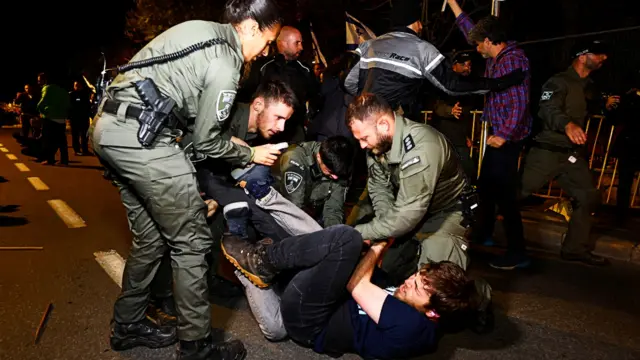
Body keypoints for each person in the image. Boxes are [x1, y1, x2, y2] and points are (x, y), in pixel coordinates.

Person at [90, 0, 282, 358]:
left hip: (110, 128)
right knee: (191, 239)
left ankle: (128, 325)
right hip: (141, 137)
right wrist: (249, 154)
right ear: (252, 27)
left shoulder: (200, 31)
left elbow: (188, 122)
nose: (265, 51)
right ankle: (196, 346)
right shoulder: (227, 59)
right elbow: (209, 140)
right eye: (268, 42)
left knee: (150, 238)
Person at [221, 224, 476, 360]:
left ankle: (260, 261)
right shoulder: (414, 307)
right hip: (325, 301)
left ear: (432, 313)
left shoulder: (414, 327)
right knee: (301, 240)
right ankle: (247, 226)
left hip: (310, 322)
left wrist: (376, 249)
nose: (409, 281)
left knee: (346, 239)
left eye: (418, 287)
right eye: (417, 276)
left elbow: (358, 286)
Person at [446, 0, 533, 269]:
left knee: (505, 197)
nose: (475, 49)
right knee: (487, 189)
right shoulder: (499, 57)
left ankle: (518, 253)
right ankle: (483, 235)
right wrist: (452, 4)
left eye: (478, 44)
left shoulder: (512, 61)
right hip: (500, 136)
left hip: (507, 139)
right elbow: (470, 29)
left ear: (489, 41)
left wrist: (504, 134)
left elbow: (520, 102)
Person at [344, 0, 525, 122]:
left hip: (364, 120)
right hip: (395, 124)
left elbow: (348, 82)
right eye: (420, 22)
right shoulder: (422, 48)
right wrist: (499, 83)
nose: (422, 26)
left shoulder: (370, 45)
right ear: (415, 23)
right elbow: (452, 85)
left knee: (377, 175)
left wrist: (368, 101)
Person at [520, 40, 615, 267]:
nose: (604, 58)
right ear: (582, 57)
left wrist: (606, 106)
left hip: (572, 156)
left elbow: (590, 108)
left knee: (588, 196)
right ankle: (475, 228)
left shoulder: (589, 86)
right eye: (598, 54)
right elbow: (547, 109)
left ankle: (574, 249)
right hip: (547, 152)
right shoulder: (559, 81)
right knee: (515, 192)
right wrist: (567, 125)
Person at [238, 25, 320, 143]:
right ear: (282, 43)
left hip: (294, 133)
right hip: (263, 134)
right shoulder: (262, 66)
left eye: (301, 43)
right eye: (296, 43)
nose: (301, 47)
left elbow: (316, 95)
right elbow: (247, 93)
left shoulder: (305, 70)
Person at [273, 135, 355, 227]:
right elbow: (294, 210)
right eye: (330, 172)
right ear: (319, 157)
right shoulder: (296, 160)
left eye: (338, 174)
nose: (335, 177)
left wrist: (334, 235)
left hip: (311, 210)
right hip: (281, 210)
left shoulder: (341, 167)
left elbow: (333, 210)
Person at [430, 52, 478, 180]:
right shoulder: (443, 82)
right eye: (463, 64)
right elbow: (435, 105)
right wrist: (450, 110)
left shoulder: (468, 86)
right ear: (454, 66)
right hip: (443, 135)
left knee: (467, 172)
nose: (467, 68)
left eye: (469, 65)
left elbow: (466, 113)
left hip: (459, 137)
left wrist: (466, 135)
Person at [36, 73, 70, 166]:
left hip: (50, 118)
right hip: (62, 118)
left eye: (39, 81)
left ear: (45, 80)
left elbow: (40, 104)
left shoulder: (47, 88)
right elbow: (68, 104)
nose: (38, 83)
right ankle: (64, 160)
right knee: (62, 141)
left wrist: (43, 112)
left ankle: (50, 160)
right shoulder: (63, 90)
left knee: (49, 141)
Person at [69, 80, 92, 155]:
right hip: (75, 117)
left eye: (78, 85)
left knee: (84, 134)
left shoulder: (85, 94)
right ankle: (77, 150)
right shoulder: (72, 94)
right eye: (76, 85)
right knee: (75, 135)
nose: (77, 87)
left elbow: (88, 105)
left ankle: (85, 150)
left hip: (84, 117)